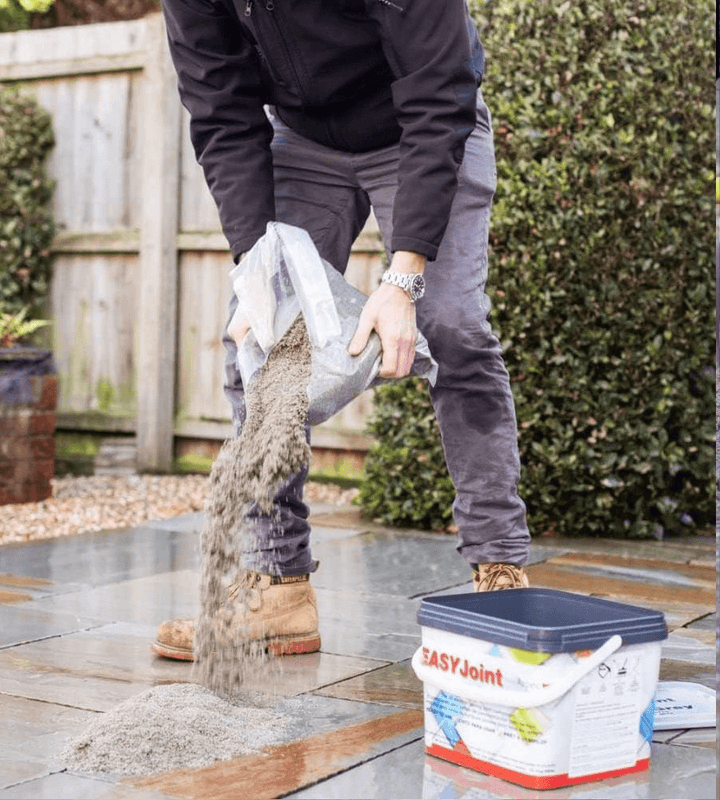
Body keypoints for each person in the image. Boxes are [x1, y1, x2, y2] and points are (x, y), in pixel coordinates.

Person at [152, 0, 530, 662]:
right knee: (259, 344)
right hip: (302, 141)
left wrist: (405, 277)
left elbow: (440, 94)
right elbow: (222, 113)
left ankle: (499, 573)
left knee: (452, 323)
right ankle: (280, 587)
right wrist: (255, 267)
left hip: (424, 126)